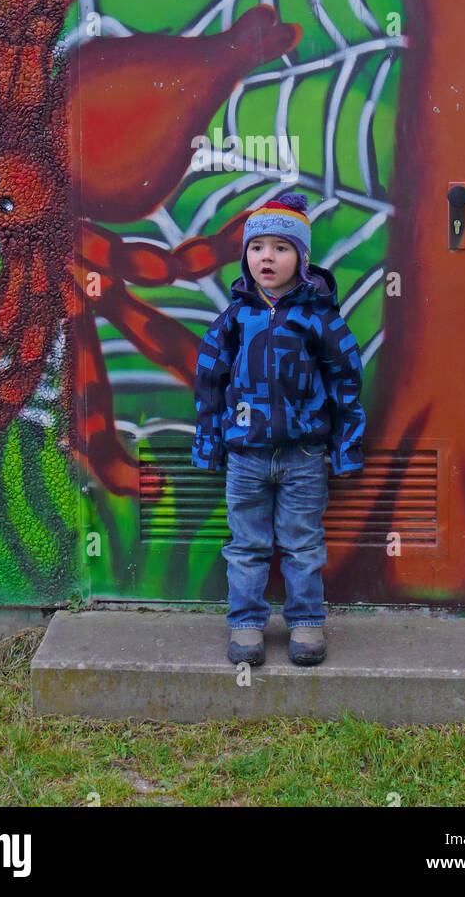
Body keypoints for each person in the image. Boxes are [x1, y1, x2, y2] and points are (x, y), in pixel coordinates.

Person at [191, 190, 366, 668]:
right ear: (246, 256)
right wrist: (209, 444)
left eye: (281, 247)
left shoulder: (320, 318)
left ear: (302, 258)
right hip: (245, 456)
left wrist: (345, 447)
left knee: (302, 542)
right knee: (246, 544)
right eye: (257, 247)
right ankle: (246, 624)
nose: (267, 256)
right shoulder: (235, 318)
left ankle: (306, 621)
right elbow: (210, 380)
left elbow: (346, 380)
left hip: (304, 456)